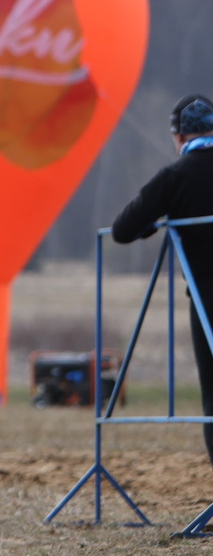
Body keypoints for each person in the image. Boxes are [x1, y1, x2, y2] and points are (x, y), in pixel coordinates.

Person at [113, 94, 213, 464]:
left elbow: (124, 229)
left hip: (208, 299)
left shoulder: (175, 176)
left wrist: (155, 223)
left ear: (179, 138)